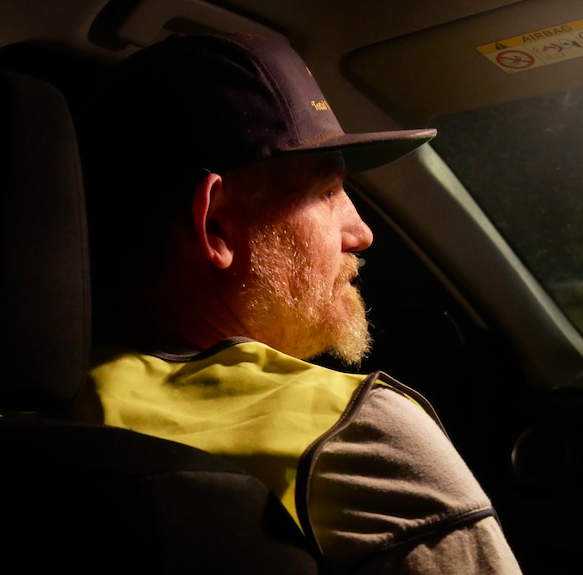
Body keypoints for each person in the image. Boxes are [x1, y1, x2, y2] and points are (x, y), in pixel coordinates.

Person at [79, 32, 521, 574]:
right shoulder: (354, 436)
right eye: (327, 191)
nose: (360, 232)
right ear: (215, 223)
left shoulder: (33, 410)